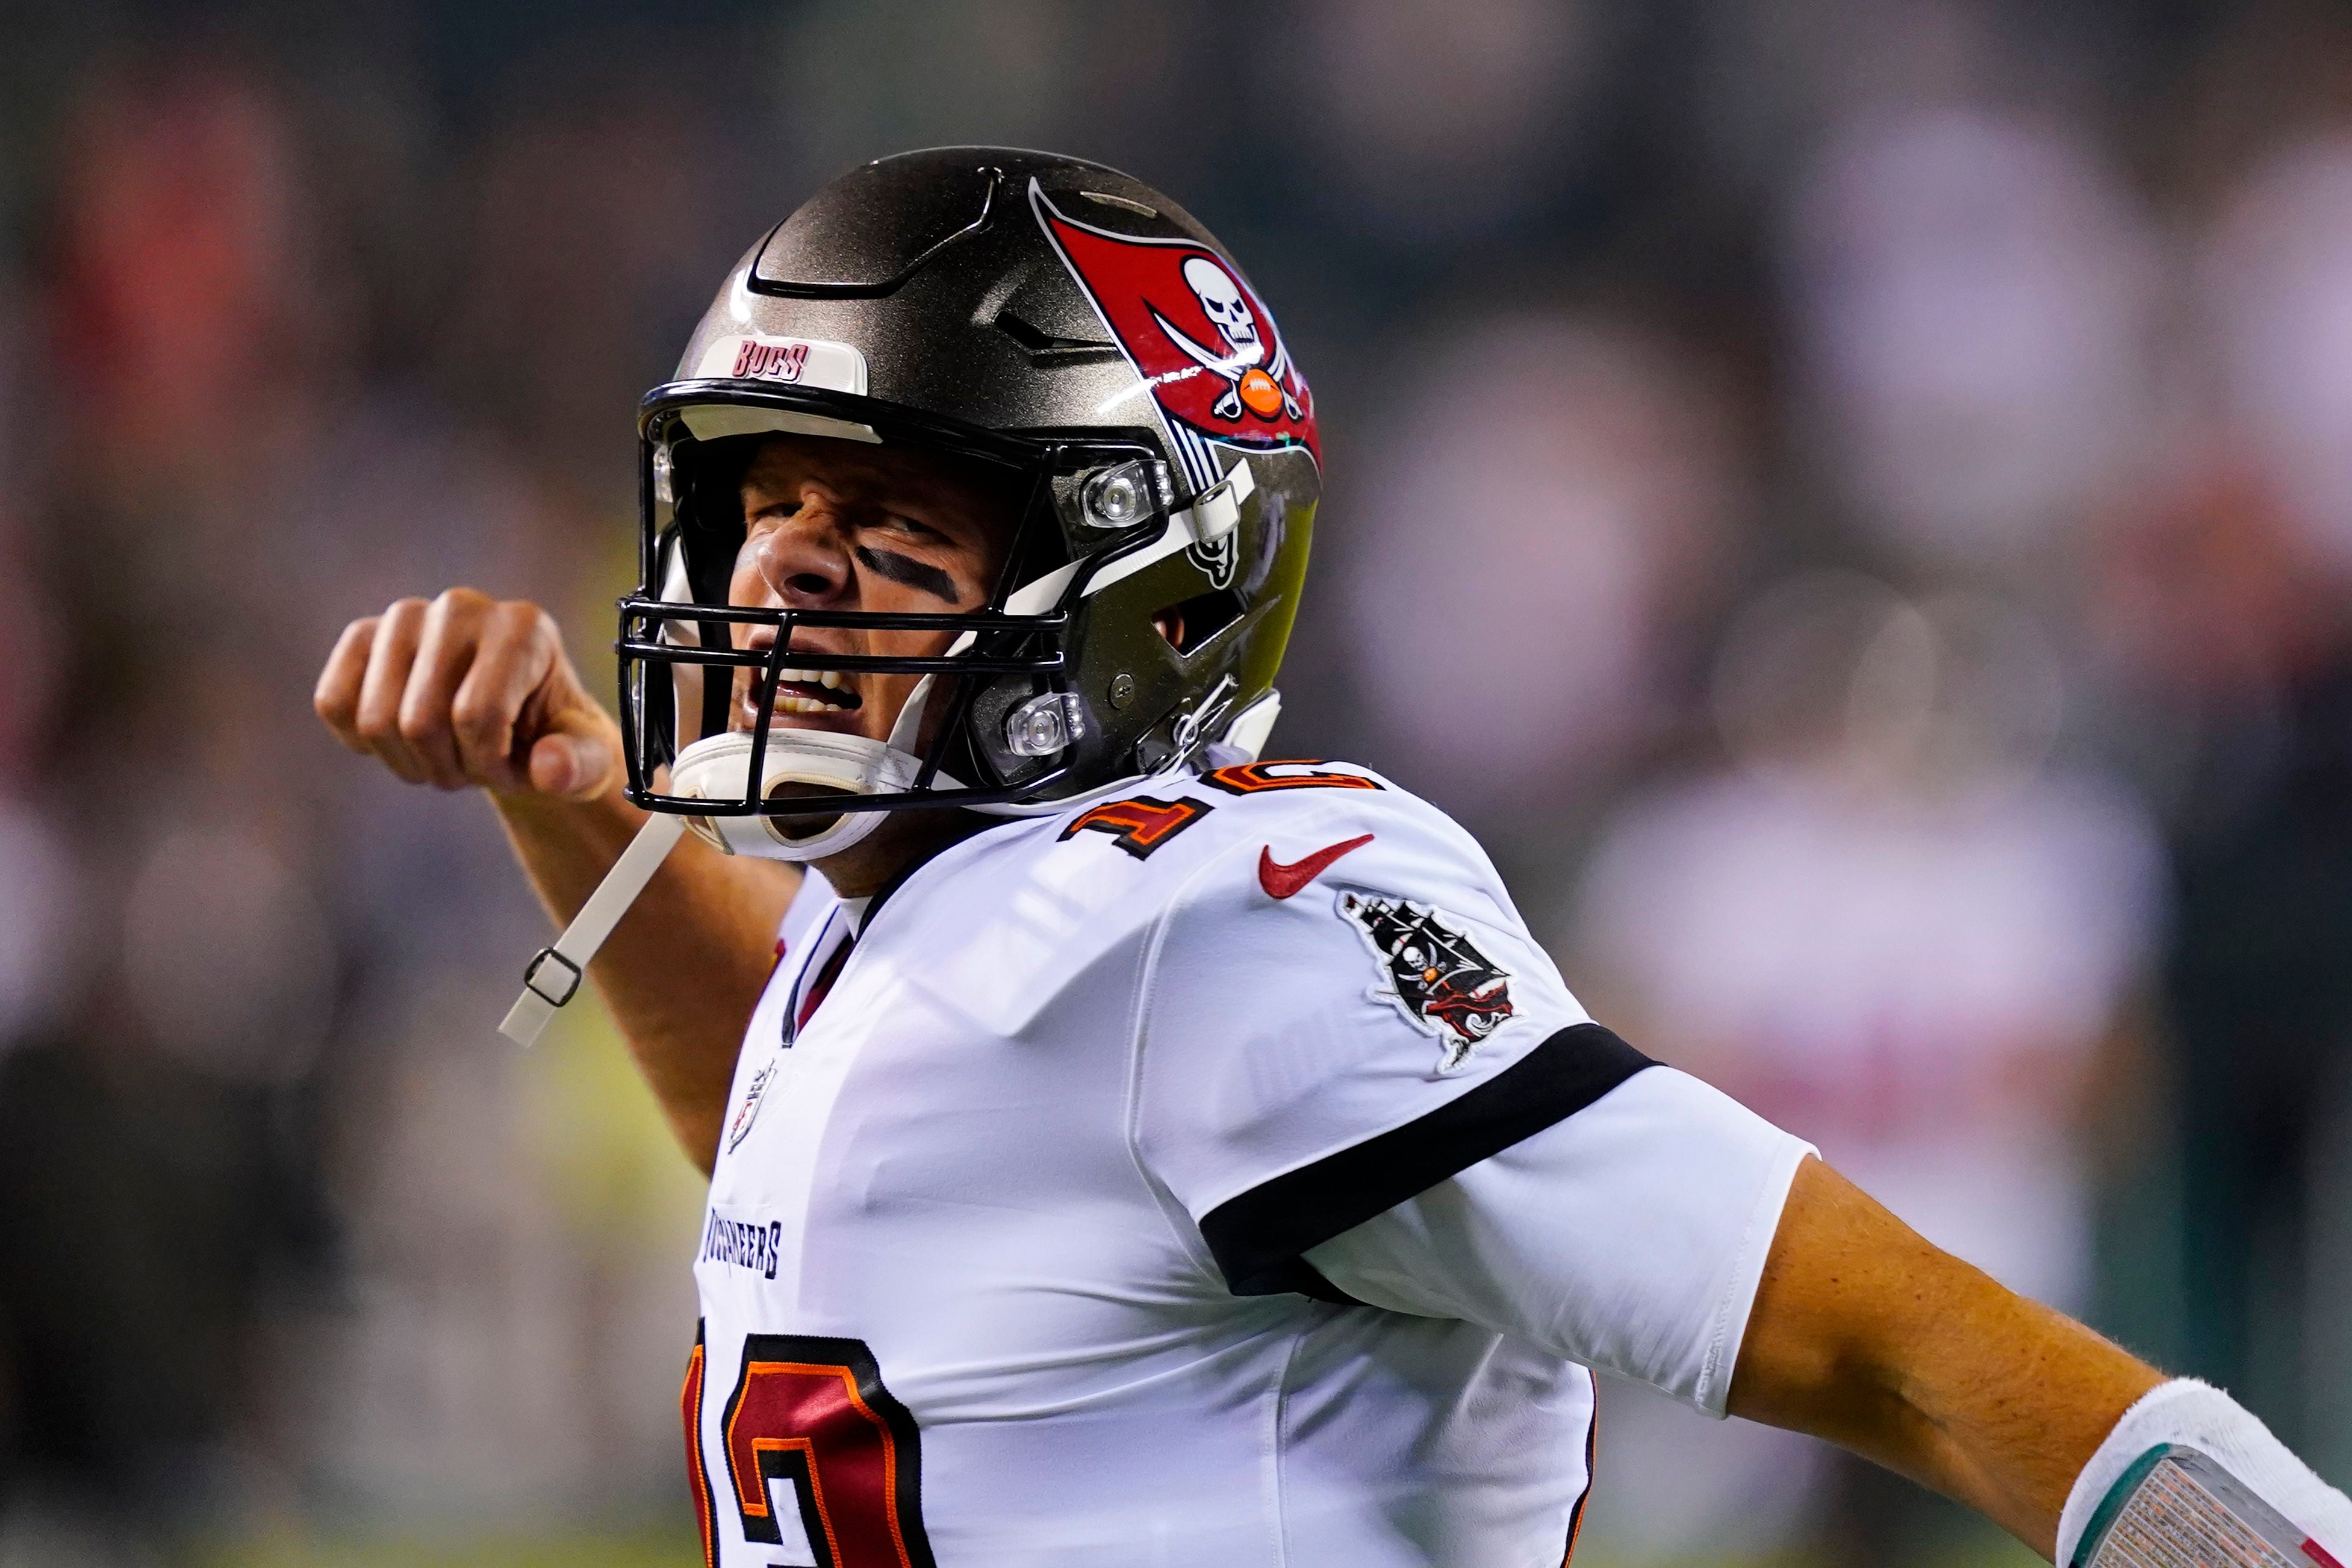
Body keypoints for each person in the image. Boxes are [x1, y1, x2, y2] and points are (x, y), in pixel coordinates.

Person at [313, 148, 2350, 1567]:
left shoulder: (1232, 934)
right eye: (759, 504)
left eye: (891, 527)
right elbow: (871, 1136)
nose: (774, 576)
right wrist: (573, 796)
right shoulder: (918, 930)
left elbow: (1887, 1336)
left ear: (1148, 591)